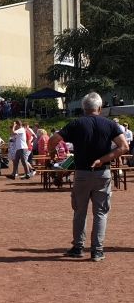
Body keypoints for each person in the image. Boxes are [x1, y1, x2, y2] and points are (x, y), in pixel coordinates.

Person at [48, 92, 128, 262]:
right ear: (100, 108)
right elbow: (124, 147)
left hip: (82, 174)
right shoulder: (110, 124)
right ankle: (97, 251)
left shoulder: (76, 124)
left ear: (84, 108)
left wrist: (52, 153)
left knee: (79, 212)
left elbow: (53, 139)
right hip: (102, 173)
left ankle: (78, 247)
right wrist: (102, 160)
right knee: (100, 213)